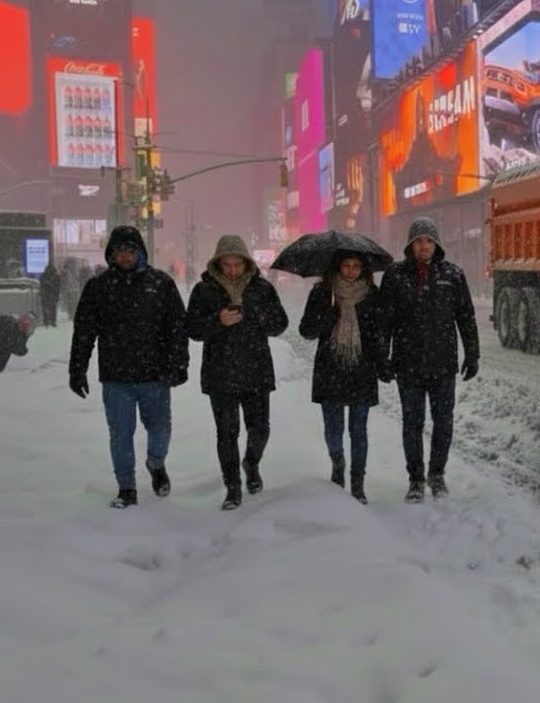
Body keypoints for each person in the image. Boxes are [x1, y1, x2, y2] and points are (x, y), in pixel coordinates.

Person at [69, 226, 188, 509]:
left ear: (141, 252)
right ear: (111, 253)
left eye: (131, 250)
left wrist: (179, 363)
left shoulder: (160, 283)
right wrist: (77, 369)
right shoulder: (98, 288)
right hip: (116, 377)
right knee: (121, 434)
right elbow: (84, 332)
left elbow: (177, 328)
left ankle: (155, 464)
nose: (125, 256)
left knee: (161, 431)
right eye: (120, 250)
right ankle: (126, 487)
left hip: (155, 375)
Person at [379, 217, 479, 503]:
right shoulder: (395, 276)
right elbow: (384, 321)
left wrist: (473, 354)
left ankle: (437, 475)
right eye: (418, 241)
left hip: (443, 363)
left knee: (443, 421)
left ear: (436, 244)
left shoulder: (453, 275)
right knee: (412, 422)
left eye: (428, 240)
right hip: (407, 363)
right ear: (410, 245)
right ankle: (416, 479)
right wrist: (382, 357)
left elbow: (466, 317)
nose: (424, 246)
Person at [185, 235, 289, 511]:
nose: (232, 269)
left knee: (261, 429)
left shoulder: (262, 289)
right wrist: (217, 321)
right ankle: (233, 486)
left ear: (247, 263)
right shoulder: (204, 290)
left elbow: (280, 324)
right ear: (218, 264)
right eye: (227, 264)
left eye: (237, 264)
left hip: (256, 371)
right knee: (226, 434)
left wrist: (256, 315)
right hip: (220, 373)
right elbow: (192, 329)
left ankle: (251, 464)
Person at [299, 252, 391, 505]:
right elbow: (305, 330)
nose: (351, 271)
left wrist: (383, 363)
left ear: (363, 269)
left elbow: (378, 333)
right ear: (337, 267)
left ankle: (358, 483)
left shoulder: (372, 295)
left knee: (358, 429)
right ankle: (338, 467)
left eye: (356, 266)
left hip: (362, 368)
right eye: (346, 266)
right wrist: (327, 316)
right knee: (333, 428)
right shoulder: (322, 293)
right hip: (331, 367)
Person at [39, 260, 60, 327]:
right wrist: (57, 294)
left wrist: (42, 292)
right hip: (53, 294)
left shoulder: (43, 276)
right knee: (53, 308)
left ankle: (46, 321)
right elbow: (58, 286)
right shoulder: (56, 276)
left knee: (45, 308)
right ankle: (53, 321)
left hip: (45, 294)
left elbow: (41, 285)